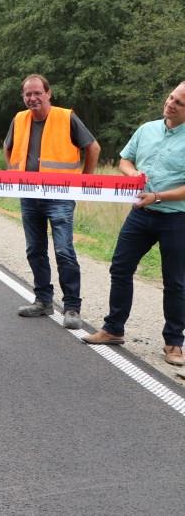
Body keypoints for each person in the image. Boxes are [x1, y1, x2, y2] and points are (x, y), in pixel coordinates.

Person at [83, 82, 185, 367]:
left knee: (175, 281)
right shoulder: (146, 129)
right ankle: (113, 329)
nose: (170, 104)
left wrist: (158, 196)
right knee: (120, 267)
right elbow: (124, 160)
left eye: (179, 103)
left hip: (176, 218)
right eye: (171, 97)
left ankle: (174, 343)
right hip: (141, 213)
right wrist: (133, 174)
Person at [5, 74, 100, 329]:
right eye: (28, 94)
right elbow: (8, 147)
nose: (32, 98)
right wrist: (13, 174)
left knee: (63, 251)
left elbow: (93, 148)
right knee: (34, 250)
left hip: (59, 196)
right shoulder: (19, 119)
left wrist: (84, 182)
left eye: (37, 93)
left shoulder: (66, 117)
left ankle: (72, 308)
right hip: (29, 195)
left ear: (48, 93)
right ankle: (43, 301)